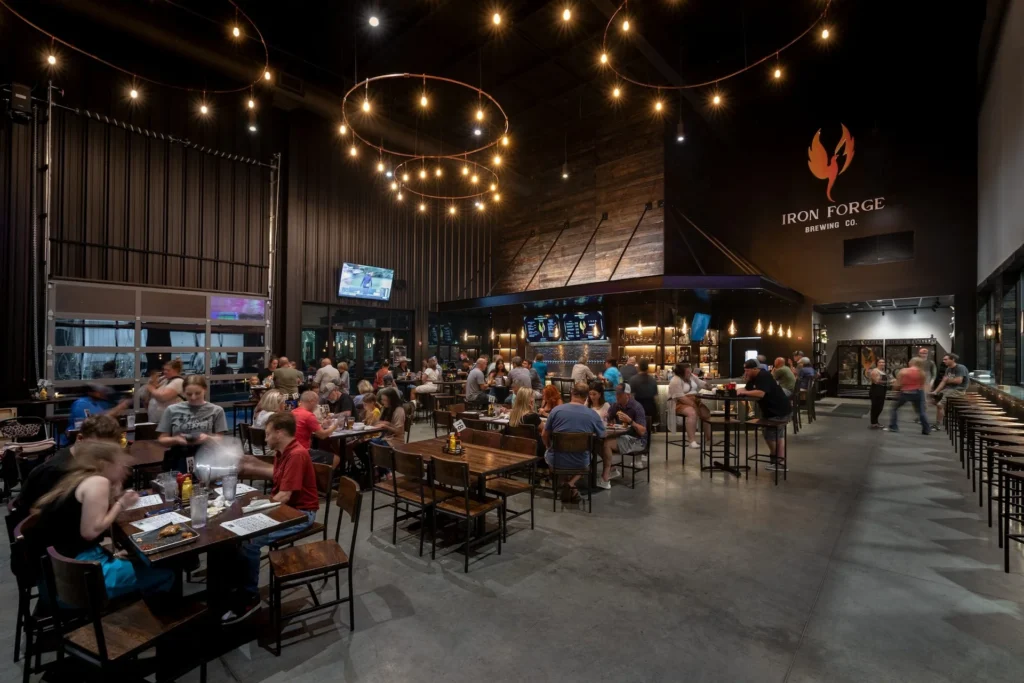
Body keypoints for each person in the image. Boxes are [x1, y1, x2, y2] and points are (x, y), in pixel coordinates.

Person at [32, 441, 175, 599]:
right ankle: (151, 618)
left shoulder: (77, 478)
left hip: (54, 575)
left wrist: (115, 493)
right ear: (104, 464)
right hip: (77, 579)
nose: (126, 471)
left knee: (142, 561)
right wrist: (121, 504)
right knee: (165, 571)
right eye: (121, 464)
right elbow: (90, 532)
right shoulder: (98, 482)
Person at [223, 411, 318, 624]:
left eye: (267, 434)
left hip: (301, 514)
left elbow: (284, 496)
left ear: (280, 432)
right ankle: (236, 585)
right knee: (238, 535)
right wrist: (250, 464)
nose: (265, 439)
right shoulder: (282, 453)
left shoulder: (295, 455)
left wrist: (252, 512)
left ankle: (250, 597)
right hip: (288, 509)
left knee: (250, 541)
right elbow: (276, 477)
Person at [11, 414, 122, 526]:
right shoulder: (56, 470)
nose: (102, 454)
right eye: (97, 447)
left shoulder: (83, 460)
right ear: (80, 439)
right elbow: (36, 513)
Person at [542, 382, 606, 502]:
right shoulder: (592, 414)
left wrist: (548, 446)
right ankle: (571, 484)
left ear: (572, 393)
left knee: (549, 455)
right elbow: (602, 435)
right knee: (589, 457)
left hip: (556, 459)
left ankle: (566, 483)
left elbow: (544, 434)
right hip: (580, 460)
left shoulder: (556, 411)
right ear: (586, 396)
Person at [157, 376, 228, 471]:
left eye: (197, 393)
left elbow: (220, 439)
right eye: (189, 394)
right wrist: (176, 439)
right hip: (178, 458)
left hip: (207, 458)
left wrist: (208, 438)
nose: (193, 397)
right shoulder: (172, 410)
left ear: (205, 390)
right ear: (183, 392)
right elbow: (162, 439)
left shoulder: (216, 411)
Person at [737, 359, 791, 471]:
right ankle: (779, 462)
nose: (746, 372)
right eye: (745, 370)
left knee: (770, 434)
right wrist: (741, 389)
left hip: (779, 410)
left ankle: (777, 459)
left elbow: (761, 393)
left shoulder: (764, 375)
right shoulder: (753, 378)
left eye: (747, 370)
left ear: (755, 369)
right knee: (777, 436)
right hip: (774, 410)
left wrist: (744, 392)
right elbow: (747, 389)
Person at [597, 383, 647, 489]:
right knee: (597, 442)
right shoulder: (617, 405)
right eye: (616, 394)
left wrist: (630, 421)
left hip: (637, 440)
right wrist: (606, 416)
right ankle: (613, 469)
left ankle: (605, 478)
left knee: (606, 444)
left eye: (620, 394)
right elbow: (608, 417)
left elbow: (642, 432)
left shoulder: (636, 407)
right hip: (623, 436)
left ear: (627, 395)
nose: (617, 396)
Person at [292, 391, 340, 466]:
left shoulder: (293, 412)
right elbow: (322, 435)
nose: (317, 406)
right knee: (336, 458)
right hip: (303, 451)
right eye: (316, 403)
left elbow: (308, 427)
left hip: (292, 450)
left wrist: (322, 426)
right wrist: (335, 426)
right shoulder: (308, 415)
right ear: (311, 401)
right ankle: (322, 477)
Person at [668, 362, 708, 448]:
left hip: (694, 399)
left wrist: (710, 386)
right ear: (681, 372)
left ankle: (708, 439)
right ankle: (692, 441)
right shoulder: (675, 380)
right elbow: (681, 397)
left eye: (690, 371)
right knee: (692, 413)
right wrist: (694, 405)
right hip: (680, 402)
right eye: (687, 371)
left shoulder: (691, 376)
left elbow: (701, 383)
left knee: (706, 413)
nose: (689, 373)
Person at [886, 357, 929, 434]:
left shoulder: (904, 371)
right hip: (918, 392)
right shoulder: (922, 373)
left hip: (905, 392)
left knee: (894, 408)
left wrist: (895, 390)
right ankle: (926, 429)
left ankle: (893, 427)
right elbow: (923, 385)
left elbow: (898, 384)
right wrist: (925, 398)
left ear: (912, 362)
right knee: (921, 412)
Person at [932, 353, 969, 428]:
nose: (943, 361)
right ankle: (942, 418)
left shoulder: (960, 367)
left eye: (946, 359)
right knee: (936, 399)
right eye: (943, 359)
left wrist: (947, 380)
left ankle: (937, 425)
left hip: (959, 390)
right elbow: (943, 382)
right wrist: (935, 391)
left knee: (940, 405)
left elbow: (958, 381)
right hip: (949, 389)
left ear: (953, 360)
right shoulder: (948, 369)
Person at [506, 386, 544, 456]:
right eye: (532, 397)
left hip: (519, 449)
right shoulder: (533, 416)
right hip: (535, 451)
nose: (534, 399)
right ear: (529, 400)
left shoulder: (513, 415)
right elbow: (543, 429)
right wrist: (532, 410)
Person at [145, 359, 185, 426]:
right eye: (164, 369)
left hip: (171, 422)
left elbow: (162, 396)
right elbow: (145, 393)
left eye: (168, 370)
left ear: (176, 370)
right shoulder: (164, 380)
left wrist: (151, 388)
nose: (165, 372)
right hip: (157, 421)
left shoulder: (178, 381)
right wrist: (153, 382)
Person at [867, 359, 889, 429]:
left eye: (883, 362)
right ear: (877, 363)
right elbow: (876, 381)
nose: (882, 363)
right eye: (880, 362)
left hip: (882, 390)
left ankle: (876, 422)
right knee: (875, 407)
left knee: (880, 408)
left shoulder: (882, 371)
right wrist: (890, 382)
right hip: (876, 390)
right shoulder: (875, 371)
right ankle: (874, 423)